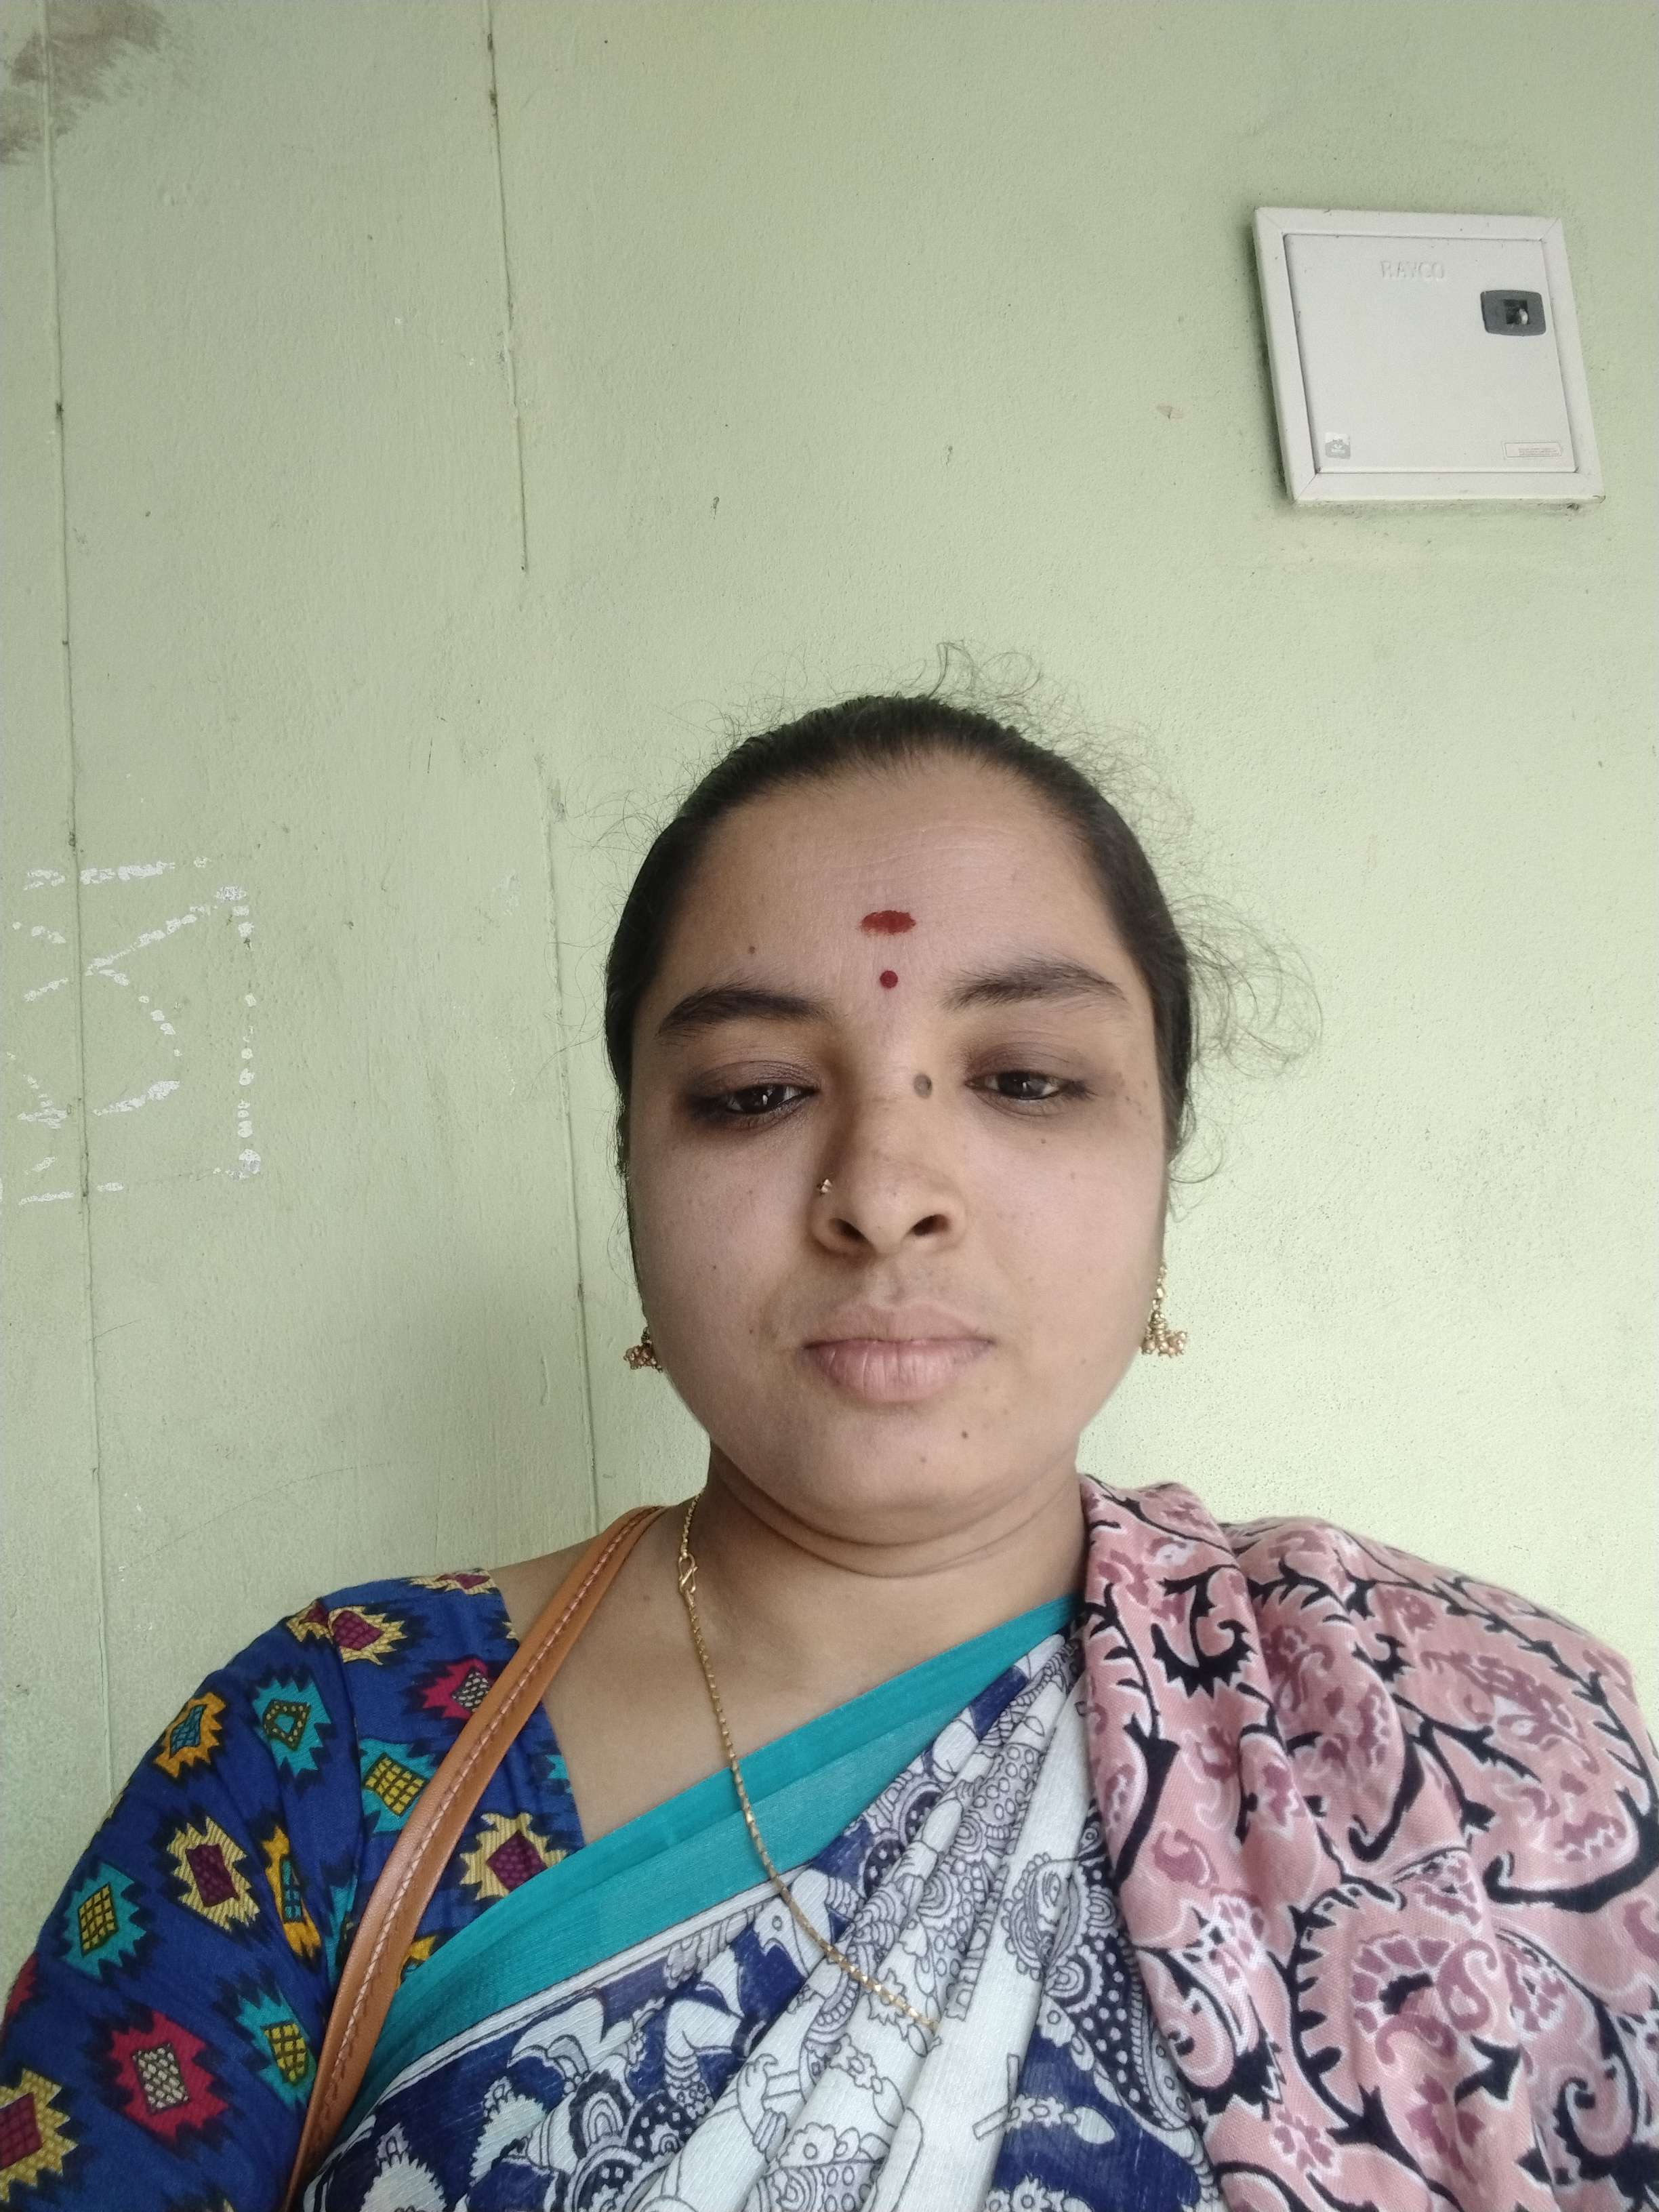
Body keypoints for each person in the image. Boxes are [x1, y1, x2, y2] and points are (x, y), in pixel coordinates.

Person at [3, 687, 1656, 2212]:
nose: (881, 1191)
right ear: (632, 1178)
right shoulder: (332, 1746)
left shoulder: (1451, 1749)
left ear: (1164, 1170)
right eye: (752, 1093)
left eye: (1025, 1078)